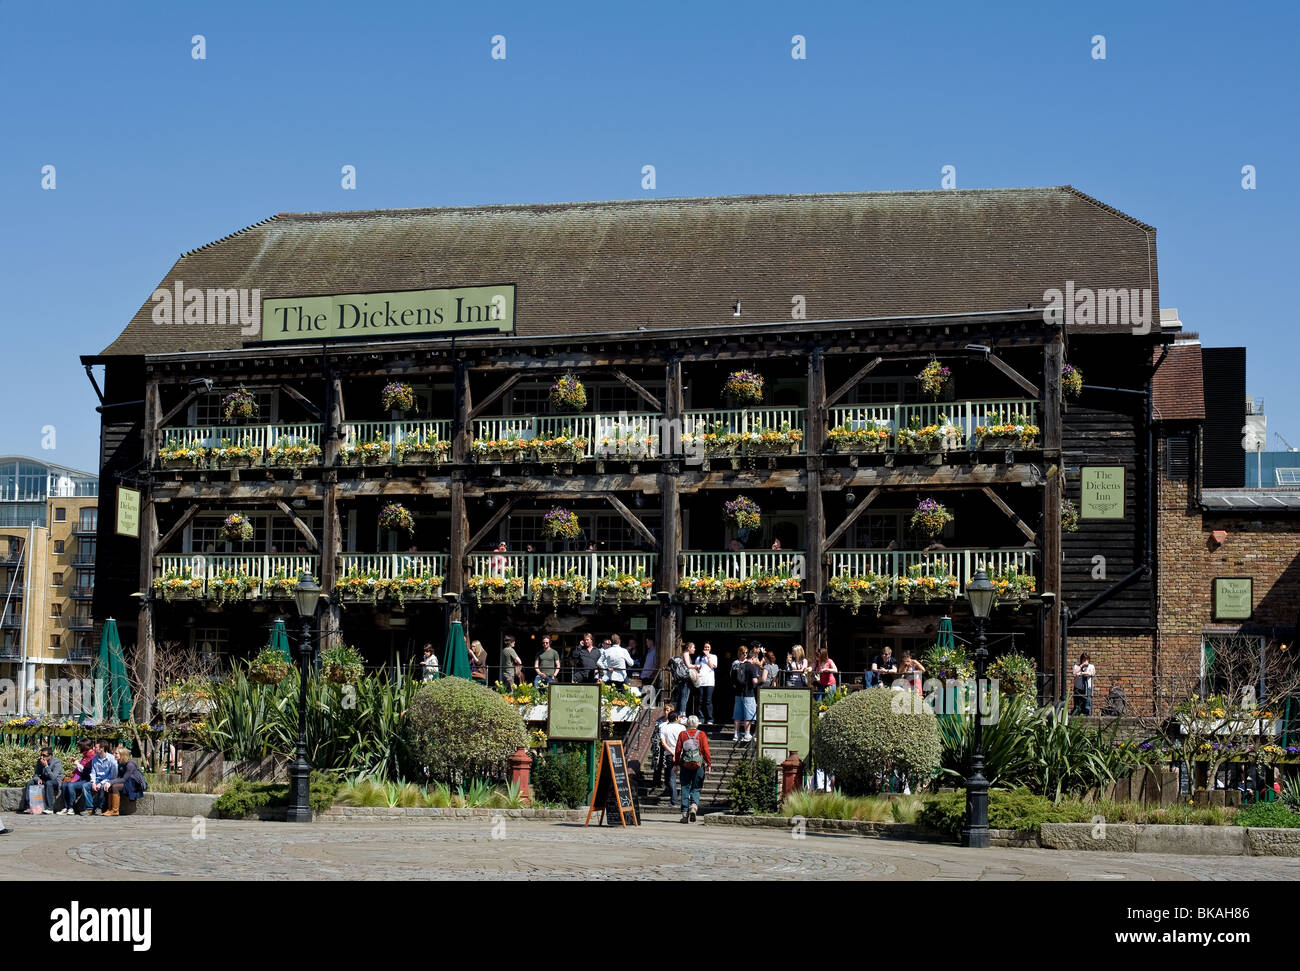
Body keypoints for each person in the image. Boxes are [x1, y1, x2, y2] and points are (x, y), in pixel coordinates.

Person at [674, 715, 712, 823]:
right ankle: (694, 807)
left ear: (687, 724)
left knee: (685, 787)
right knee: (696, 787)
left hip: (685, 765)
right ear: (697, 724)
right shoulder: (701, 734)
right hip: (698, 764)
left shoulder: (682, 734)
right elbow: (705, 750)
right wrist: (709, 764)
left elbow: (677, 750)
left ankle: (684, 814)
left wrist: (676, 764)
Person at [105, 746, 147, 817]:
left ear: (122, 754)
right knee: (111, 786)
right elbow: (120, 777)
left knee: (115, 786)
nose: (114, 755)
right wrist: (109, 783)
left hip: (135, 784)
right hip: (128, 782)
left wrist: (110, 782)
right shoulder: (120, 763)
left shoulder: (130, 764)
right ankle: (110, 809)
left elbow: (124, 779)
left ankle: (115, 810)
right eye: (114, 753)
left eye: (116, 753)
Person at [731, 645, 761, 742]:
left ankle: (736, 734)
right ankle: (747, 734)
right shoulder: (751, 667)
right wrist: (760, 679)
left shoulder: (736, 665)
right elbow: (754, 681)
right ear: (752, 658)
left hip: (737, 693)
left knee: (737, 715)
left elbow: (732, 678)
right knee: (749, 714)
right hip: (748, 693)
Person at [60, 740, 94, 815]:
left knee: (70, 785)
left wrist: (77, 763)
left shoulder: (91, 757)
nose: (79, 748)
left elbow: (87, 772)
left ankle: (71, 807)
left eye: (80, 746)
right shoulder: (85, 755)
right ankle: (66, 807)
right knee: (65, 784)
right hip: (81, 778)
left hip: (87, 780)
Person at [660, 712, 687, 804]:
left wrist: (673, 753)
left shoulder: (664, 727)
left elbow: (663, 743)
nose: (679, 718)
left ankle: (674, 800)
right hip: (682, 754)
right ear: (676, 718)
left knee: (672, 778)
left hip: (669, 754)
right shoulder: (682, 728)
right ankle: (685, 800)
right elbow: (685, 741)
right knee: (684, 777)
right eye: (679, 717)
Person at [27, 747, 63, 814]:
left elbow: (53, 777)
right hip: (44, 780)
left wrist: (46, 766)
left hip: (55, 781)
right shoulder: (39, 761)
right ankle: (29, 806)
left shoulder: (56, 762)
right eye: (41, 755)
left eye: (44, 755)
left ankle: (50, 808)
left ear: (50, 755)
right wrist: (38, 779)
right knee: (30, 783)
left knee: (49, 783)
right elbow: (36, 774)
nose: (42, 757)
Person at [87, 741, 119, 815]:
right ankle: (89, 808)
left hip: (107, 780)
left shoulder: (111, 759)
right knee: (85, 786)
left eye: (96, 747)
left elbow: (112, 776)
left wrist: (101, 783)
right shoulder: (94, 759)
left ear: (102, 749)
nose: (93, 749)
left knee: (102, 788)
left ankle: (99, 807)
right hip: (97, 779)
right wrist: (93, 782)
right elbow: (93, 772)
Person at [695, 642, 718, 725]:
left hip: (709, 682)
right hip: (700, 682)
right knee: (700, 701)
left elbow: (712, 666)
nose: (706, 649)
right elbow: (696, 669)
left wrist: (708, 657)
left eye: (708, 647)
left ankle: (710, 719)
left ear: (710, 648)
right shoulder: (699, 658)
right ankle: (701, 718)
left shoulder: (713, 657)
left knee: (708, 700)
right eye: (705, 647)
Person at [668, 643, 694, 716]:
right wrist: (697, 666)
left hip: (682, 679)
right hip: (685, 679)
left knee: (682, 696)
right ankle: (682, 714)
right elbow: (688, 665)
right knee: (684, 697)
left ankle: (678, 713)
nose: (694, 649)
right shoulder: (686, 654)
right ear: (688, 648)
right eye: (693, 647)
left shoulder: (684, 654)